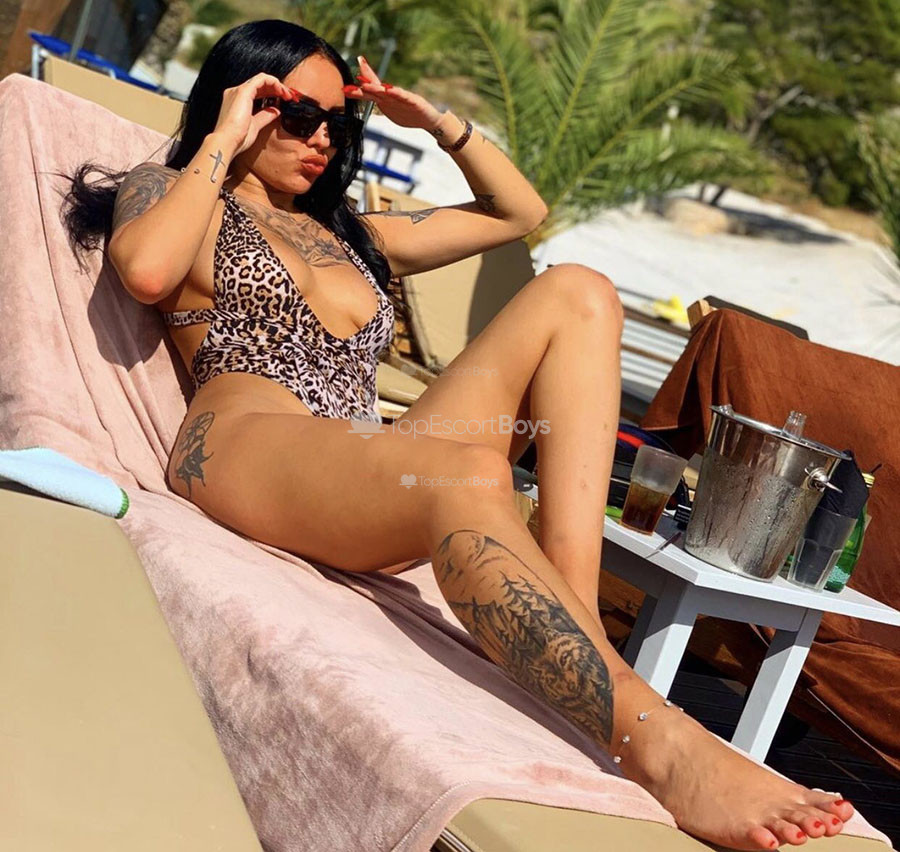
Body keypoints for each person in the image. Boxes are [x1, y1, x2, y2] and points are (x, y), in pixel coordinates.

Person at [62, 19, 854, 850]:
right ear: (245, 101)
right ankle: (660, 744)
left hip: (356, 457)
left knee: (580, 291)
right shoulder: (173, 190)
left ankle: (582, 634)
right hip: (245, 445)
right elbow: (147, 270)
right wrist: (222, 137)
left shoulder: (354, 236)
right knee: (470, 472)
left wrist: (436, 122)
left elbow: (521, 212)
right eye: (297, 114)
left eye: (340, 122)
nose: (323, 137)